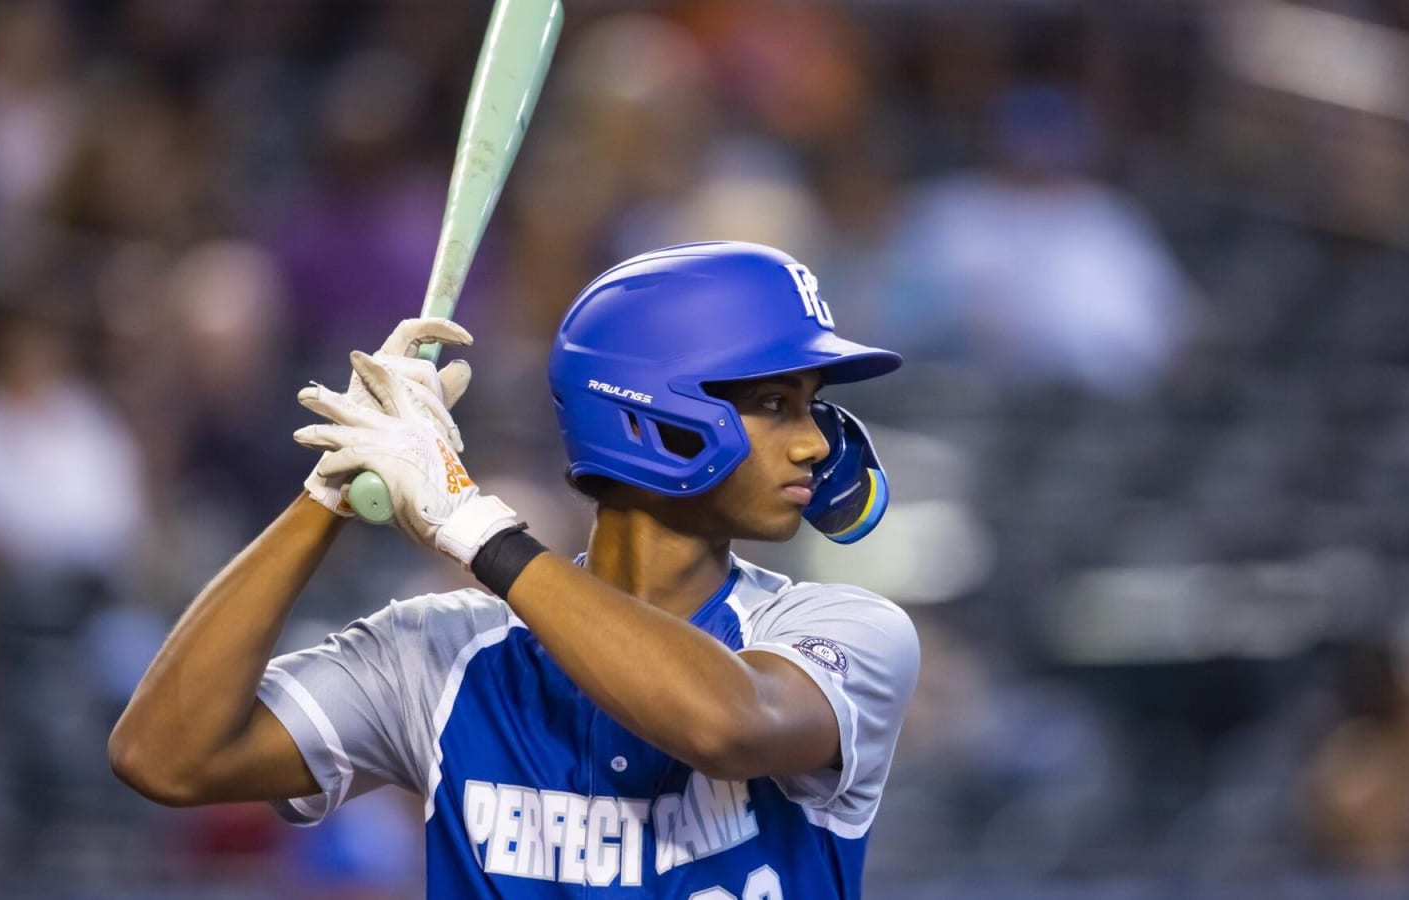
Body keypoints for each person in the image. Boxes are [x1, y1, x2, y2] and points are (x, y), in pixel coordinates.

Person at [110, 241, 921, 898]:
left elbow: (727, 726)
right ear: (652, 417)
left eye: (812, 405)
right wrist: (331, 487)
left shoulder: (845, 633)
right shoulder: (440, 655)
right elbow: (165, 755)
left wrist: (470, 523)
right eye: (776, 403)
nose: (816, 441)